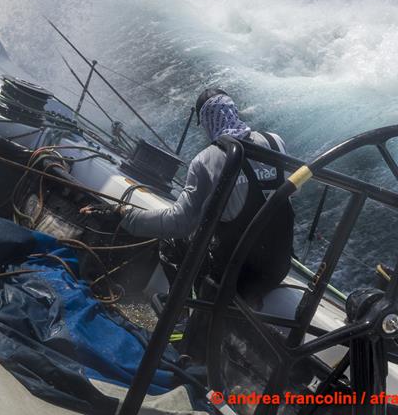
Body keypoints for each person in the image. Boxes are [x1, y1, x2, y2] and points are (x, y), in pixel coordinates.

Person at [81, 87, 294, 301]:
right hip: (277, 267)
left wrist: (123, 215)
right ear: (233, 110)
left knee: (173, 243)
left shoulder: (207, 160)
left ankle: (182, 315)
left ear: (207, 122)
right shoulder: (276, 141)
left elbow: (179, 223)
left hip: (238, 275)